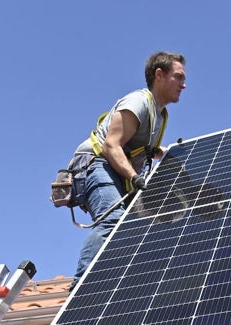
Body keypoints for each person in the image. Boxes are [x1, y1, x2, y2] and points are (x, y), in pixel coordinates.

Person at [69, 51, 187, 290]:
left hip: (118, 172)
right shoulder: (139, 102)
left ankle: (120, 286)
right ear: (159, 75)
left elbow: (141, 148)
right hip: (96, 163)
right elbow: (111, 145)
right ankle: (81, 288)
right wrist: (134, 177)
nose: (184, 84)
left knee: (139, 230)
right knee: (113, 220)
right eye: (178, 77)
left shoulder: (161, 115)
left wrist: (168, 153)